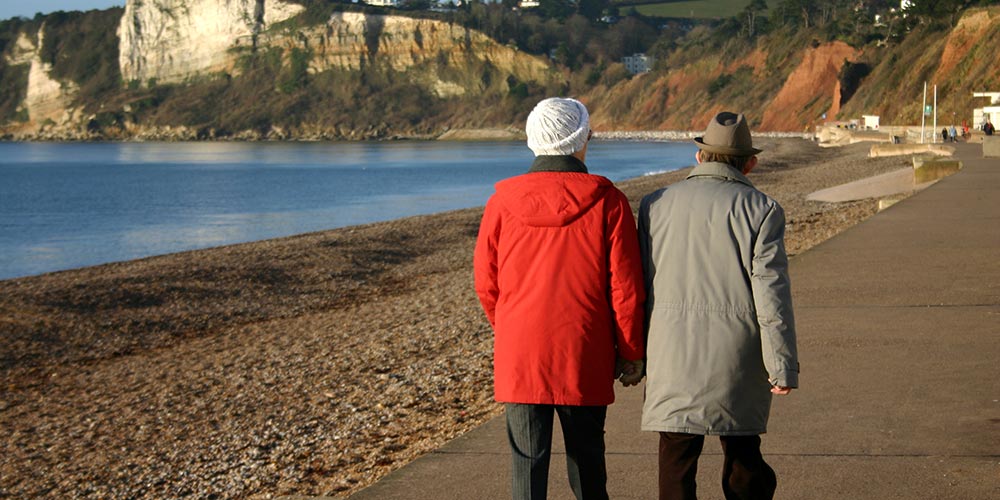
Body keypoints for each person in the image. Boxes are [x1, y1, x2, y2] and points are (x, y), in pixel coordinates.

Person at [473, 97, 646, 500]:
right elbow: (625, 287)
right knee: (587, 465)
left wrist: (512, 328)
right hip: (584, 347)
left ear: (534, 141)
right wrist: (631, 351)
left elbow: (486, 283)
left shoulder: (501, 202)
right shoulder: (607, 201)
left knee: (526, 467)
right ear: (581, 139)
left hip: (521, 350)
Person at [637, 112, 799, 500]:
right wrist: (781, 365)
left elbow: (640, 287)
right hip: (737, 355)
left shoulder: (655, 204)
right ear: (750, 163)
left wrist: (633, 357)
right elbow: (771, 294)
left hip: (672, 352)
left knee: (676, 460)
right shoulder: (762, 209)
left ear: (700, 157)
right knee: (743, 455)